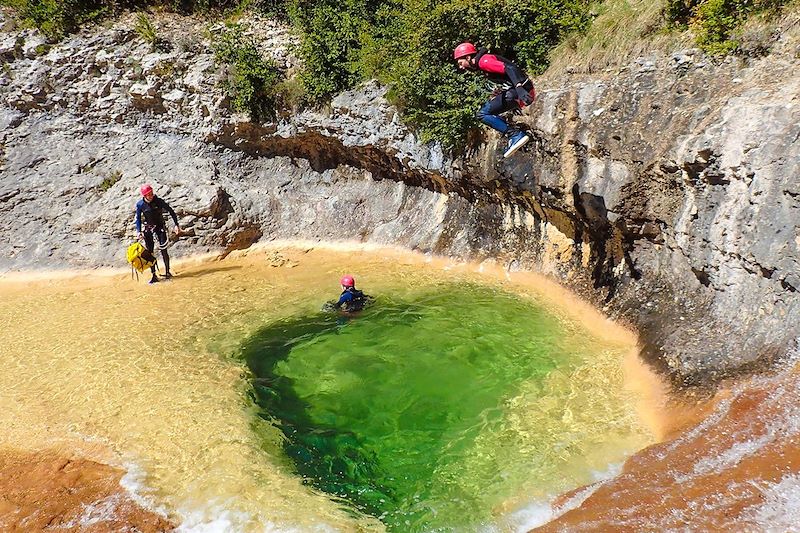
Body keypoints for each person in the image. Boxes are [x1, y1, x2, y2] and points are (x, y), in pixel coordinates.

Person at [453, 42, 535, 158]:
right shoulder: (481, 63)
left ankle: (515, 134)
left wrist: (519, 87)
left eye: (461, 63)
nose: (461, 67)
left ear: (468, 57)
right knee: (488, 111)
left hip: (521, 91)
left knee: (482, 114)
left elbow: (509, 68)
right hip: (517, 91)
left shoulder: (484, 61)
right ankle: (514, 133)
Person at [134, 184, 180, 284]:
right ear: (144, 196)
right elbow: (138, 219)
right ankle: (154, 275)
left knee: (163, 249)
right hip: (148, 229)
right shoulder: (140, 205)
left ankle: (167, 272)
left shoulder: (158, 201)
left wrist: (176, 225)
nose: (151, 196)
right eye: (148, 194)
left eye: (151, 193)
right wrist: (139, 231)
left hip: (160, 228)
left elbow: (171, 211)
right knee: (150, 253)